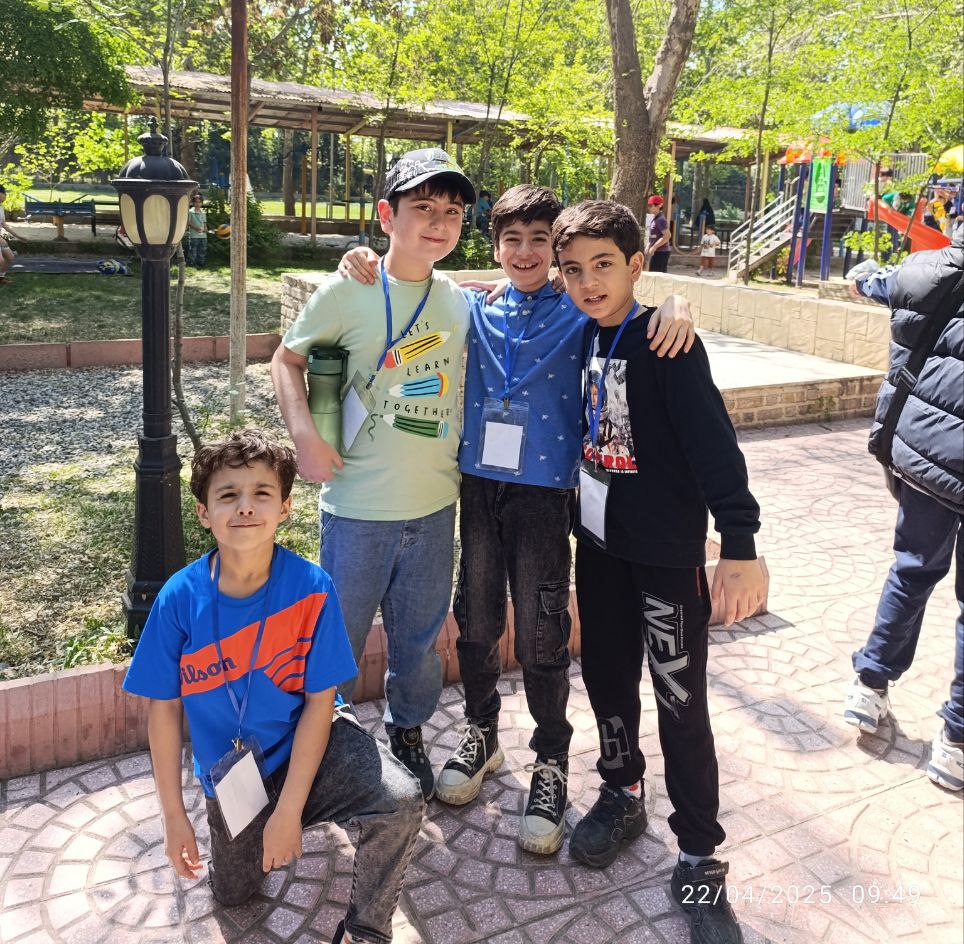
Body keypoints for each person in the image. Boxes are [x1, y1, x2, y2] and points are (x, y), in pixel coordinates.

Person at [336, 185, 697, 856]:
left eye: (539, 240)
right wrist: (357, 259)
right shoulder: (475, 308)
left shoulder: (579, 312)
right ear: (495, 247)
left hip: (543, 499)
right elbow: (408, 293)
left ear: (556, 251)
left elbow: (630, 309)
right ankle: (482, 734)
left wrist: (676, 302)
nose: (525, 252)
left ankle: (550, 758)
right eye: (512, 240)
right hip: (476, 488)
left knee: (540, 632)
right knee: (475, 622)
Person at [552, 200, 765, 944]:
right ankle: (622, 791)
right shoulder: (581, 331)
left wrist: (739, 543)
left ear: (636, 266)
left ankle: (700, 857)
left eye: (604, 265)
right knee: (607, 679)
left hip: (667, 559)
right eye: (573, 270)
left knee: (680, 702)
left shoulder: (669, 344)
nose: (588, 282)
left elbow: (715, 447)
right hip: (599, 551)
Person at [123, 430, 423, 944]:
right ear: (203, 513)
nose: (245, 506)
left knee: (400, 800)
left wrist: (287, 812)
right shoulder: (179, 599)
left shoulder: (311, 587)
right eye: (228, 494)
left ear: (284, 507)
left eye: (261, 493)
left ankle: (367, 930)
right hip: (235, 774)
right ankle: (271, 823)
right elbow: (164, 712)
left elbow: (319, 703)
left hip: (311, 739)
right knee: (234, 893)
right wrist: (174, 817)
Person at [271, 148, 475, 800]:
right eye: (424, 208)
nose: (438, 223)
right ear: (387, 215)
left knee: (419, 643)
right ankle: (325, 743)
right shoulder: (346, 290)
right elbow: (284, 360)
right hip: (357, 510)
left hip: (435, 507)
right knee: (338, 642)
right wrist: (305, 438)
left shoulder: (460, 302)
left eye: (452, 212)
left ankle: (407, 732)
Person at [843, 224, 963, 791]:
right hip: (935, 458)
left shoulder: (923, 269)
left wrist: (864, 276)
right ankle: (956, 742)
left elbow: (870, 282)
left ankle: (869, 686)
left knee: (912, 570)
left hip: (927, 455)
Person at [645, 195, 671, 272]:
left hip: (661, 252)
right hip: (657, 252)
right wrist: (648, 245)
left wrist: (654, 247)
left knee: (656, 276)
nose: (649, 207)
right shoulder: (655, 218)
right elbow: (654, 236)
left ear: (658, 206)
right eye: (648, 205)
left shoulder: (660, 219)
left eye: (651, 205)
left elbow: (667, 236)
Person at [185, 191, 208, 267]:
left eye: (199, 202)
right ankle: (191, 263)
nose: (198, 204)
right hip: (194, 235)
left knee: (202, 249)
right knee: (193, 250)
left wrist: (205, 228)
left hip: (203, 235)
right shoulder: (190, 212)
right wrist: (196, 228)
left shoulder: (203, 212)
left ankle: (200, 263)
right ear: (193, 203)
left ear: (202, 203)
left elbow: (204, 222)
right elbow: (188, 223)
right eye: (196, 202)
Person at [0, 185, 15, 283]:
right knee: (0, 261)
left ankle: (1, 278)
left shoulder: (1, 207)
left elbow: (3, 224)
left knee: (10, 258)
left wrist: (18, 236)